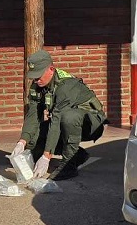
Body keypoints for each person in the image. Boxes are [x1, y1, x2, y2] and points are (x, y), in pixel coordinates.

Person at [11, 49, 106, 180]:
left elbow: (56, 121)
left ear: (51, 69)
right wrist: (22, 142)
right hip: (63, 121)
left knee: (68, 117)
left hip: (91, 125)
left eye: (39, 75)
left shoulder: (65, 87)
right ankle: (77, 155)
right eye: (34, 76)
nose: (36, 80)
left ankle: (69, 165)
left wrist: (46, 156)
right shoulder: (37, 87)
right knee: (34, 140)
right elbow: (32, 115)